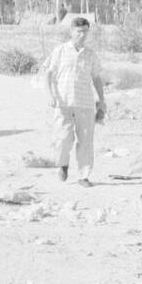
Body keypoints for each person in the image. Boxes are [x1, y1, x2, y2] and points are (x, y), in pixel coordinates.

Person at [43, 16, 106, 186]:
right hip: (62, 102)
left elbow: (97, 78)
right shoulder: (60, 51)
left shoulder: (90, 55)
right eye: (79, 32)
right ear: (72, 32)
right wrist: (50, 95)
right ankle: (63, 164)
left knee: (86, 141)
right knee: (63, 138)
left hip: (85, 103)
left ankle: (83, 176)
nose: (82, 35)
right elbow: (48, 74)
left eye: (85, 31)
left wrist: (102, 100)